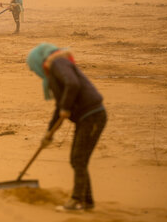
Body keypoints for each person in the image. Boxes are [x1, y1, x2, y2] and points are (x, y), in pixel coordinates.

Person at [27, 43, 107, 212]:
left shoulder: (58, 63)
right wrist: (49, 133)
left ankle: (77, 201)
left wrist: (65, 107)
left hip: (92, 115)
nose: (35, 73)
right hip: (86, 117)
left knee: (78, 159)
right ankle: (87, 201)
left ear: (38, 62)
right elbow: (60, 107)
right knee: (78, 160)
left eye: (33, 69)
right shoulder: (54, 74)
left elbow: (72, 84)